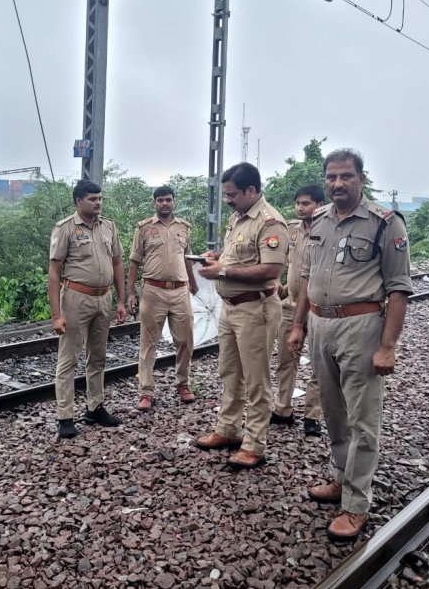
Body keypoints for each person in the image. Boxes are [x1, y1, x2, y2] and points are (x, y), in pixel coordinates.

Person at [288, 149, 412, 542]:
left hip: (361, 327)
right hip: (321, 324)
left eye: (346, 176)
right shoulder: (319, 221)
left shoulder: (385, 224)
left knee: (363, 419)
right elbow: (306, 277)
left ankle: (357, 504)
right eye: (331, 177)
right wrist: (298, 326)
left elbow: (398, 289)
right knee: (334, 413)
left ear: (361, 178)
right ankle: (341, 479)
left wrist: (387, 346)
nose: (337, 183)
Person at [195, 162, 288, 469]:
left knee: (256, 379)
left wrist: (221, 270)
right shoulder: (238, 218)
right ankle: (228, 429)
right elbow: (237, 255)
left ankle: (255, 444)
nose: (228, 200)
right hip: (231, 308)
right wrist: (217, 258)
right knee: (230, 372)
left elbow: (271, 269)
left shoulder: (271, 222)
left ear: (251, 190)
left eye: (232, 194)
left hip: (255, 308)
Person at [47, 180, 126, 439]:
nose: (98, 202)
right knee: (69, 358)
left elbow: (117, 264)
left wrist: (122, 301)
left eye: (100, 198)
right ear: (79, 200)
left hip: (103, 298)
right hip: (75, 298)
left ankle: (95, 407)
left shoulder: (108, 226)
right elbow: (54, 273)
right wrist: (57, 315)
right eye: (93, 198)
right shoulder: (65, 228)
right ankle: (65, 416)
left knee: (98, 356)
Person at [127, 186, 199, 411]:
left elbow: (187, 257)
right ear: (154, 203)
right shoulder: (144, 228)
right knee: (149, 343)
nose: (164, 203)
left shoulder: (184, 228)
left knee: (185, 341)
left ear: (174, 202)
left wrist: (193, 282)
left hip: (180, 290)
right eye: (160, 200)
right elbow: (134, 261)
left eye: (168, 199)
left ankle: (183, 384)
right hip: (153, 290)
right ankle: (146, 391)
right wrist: (130, 293)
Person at [272, 185, 325, 436]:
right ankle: (283, 409)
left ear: (320, 204)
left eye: (307, 203)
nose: (301, 208)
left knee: (318, 364)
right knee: (286, 359)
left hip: (319, 309)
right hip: (290, 306)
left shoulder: (328, 230)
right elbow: (284, 262)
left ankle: (312, 414)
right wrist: (278, 284)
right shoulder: (291, 230)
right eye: (298, 204)